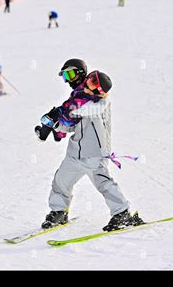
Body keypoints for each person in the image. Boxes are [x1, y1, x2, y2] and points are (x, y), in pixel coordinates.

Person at [41, 66, 144, 231]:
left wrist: (61, 112)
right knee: (61, 181)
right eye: (90, 79)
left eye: (94, 83)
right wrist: (55, 124)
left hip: (95, 154)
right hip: (75, 153)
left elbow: (78, 110)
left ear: (100, 91)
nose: (89, 84)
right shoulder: (80, 100)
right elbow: (72, 124)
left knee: (104, 183)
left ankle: (122, 212)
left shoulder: (100, 104)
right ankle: (59, 211)